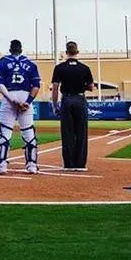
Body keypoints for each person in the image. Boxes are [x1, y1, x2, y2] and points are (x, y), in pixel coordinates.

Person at [0, 39, 41, 175]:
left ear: (10, 49)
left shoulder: (3, 62)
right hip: (25, 95)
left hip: (9, 95)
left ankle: (2, 164)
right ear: (21, 49)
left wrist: (11, 100)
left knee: (5, 132)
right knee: (29, 132)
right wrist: (28, 101)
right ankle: (32, 165)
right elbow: (36, 85)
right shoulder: (30, 64)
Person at [51, 41, 94, 172]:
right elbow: (91, 87)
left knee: (67, 133)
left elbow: (55, 88)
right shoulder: (85, 68)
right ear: (77, 52)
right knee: (81, 132)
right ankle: (80, 164)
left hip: (67, 100)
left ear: (66, 52)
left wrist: (54, 105)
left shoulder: (59, 68)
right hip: (80, 99)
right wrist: (83, 86)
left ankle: (69, 164)